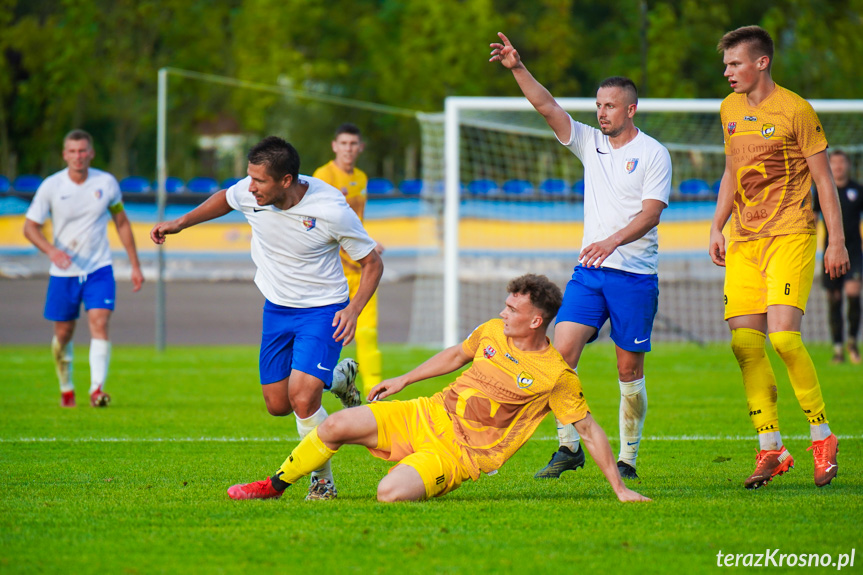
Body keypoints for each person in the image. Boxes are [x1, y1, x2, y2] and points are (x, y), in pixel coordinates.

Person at [226, 274, 650, 503]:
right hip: (424, 414)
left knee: (388, 495)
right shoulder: (490, 332)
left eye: (513, 309)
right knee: (333, 426)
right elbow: (454, 356)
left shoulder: (556, 375)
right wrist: (404, 379)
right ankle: (273, 486)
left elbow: (590, 430)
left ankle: (420, 473)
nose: (503, 313)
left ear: (536, 321)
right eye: (505, 305)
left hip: (457, 452)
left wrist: (618, 487)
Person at [150, 136, 383, 500]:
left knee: (304, 400)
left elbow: (372, 263)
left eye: (259, 181)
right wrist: (181, 223)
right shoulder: (251, 191)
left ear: (286, 180)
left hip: (323, 310)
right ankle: (339, 379)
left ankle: (322, 481)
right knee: (279, 405)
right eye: (250, 178)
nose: (251, 187)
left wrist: (353, 310)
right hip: (276, 308)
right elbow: (226, 198)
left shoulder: (331, 209)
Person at [489, 32, 672, 480]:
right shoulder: (590, 142)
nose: (600, 113)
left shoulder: (653, 154)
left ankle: (628, 457)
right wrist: (517, 67)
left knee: (628, 370)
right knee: (559, 355)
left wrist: (612, 241)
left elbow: (651, 214)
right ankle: (568, 446)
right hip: (589, 274)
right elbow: (548, 107)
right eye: (597, 106)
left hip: (633, 277)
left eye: (609, 106)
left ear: (630, 109)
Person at [709, 26, 849, 489]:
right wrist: (716, 225)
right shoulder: (729, 109)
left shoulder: (796, 110)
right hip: (745, 240)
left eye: (735, 64)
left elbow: (825, 180)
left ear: (762, 62)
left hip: (791, 234)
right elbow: (732, 170)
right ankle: (771, 449)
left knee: (784, 339)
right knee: (745, 345)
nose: (728, 72)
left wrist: (837, 240)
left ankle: (822, 435)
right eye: (726, 64)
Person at [23, 129, 144, 408]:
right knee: (63, 334)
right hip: (63, 274)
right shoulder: (52, 186)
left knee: (100, 322)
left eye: (83, 151)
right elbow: (30, 227)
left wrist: (135, 265)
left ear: (91, 153)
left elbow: (121, 222)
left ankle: (96, 390)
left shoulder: (106, 183)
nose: (78, 156)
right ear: (65, 155)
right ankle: (66, 386)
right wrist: (52, 251)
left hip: (99, 269)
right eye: (72, 151)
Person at [313, 123, 384, 394]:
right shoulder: (324, 175)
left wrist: (368, 242)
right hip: (334, 271)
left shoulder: (362, 178)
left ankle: (375, 393)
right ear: (334, 146)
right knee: (329, 334)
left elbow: (355, 222)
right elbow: (322, 221)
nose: (348, 149)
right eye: (343, 143)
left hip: (361, 269)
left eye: (353, 144)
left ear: (361, 148)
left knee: (367, 333)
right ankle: (329, 383)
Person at [814, 150, 862, 364]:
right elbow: (813, 219)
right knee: (834, 300)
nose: (839, 167)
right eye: (834, 163)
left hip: (854, 252)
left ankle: (852, 342)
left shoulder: (857, 190)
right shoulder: (822, 191)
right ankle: (837, 349)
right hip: (830, 252)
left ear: (848, 166)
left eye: (842, 163)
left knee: (853, 294)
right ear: (829, 166)